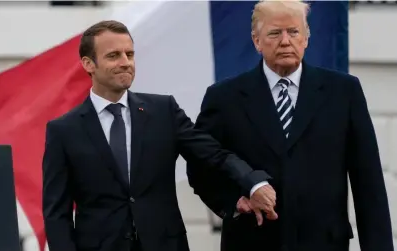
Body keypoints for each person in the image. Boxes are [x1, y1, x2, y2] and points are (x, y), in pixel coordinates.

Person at [42, 20, 271, 251]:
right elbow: (56, 214)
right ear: (88, 64)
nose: (125, 63)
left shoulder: (164, 111)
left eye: (129, 54)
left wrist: (252, 182)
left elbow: (213, 155)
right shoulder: (63, 130)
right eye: (113, 56)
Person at [186, 1, 394, 251]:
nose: (285, 41)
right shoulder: (224, 97)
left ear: (306, 38)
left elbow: (368, 182)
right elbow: (200, 166)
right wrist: (234, 202)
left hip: (323, 243)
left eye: (293, 32)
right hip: (251, 242)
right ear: (256, 41)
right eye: (275, 33)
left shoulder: (343, 92)